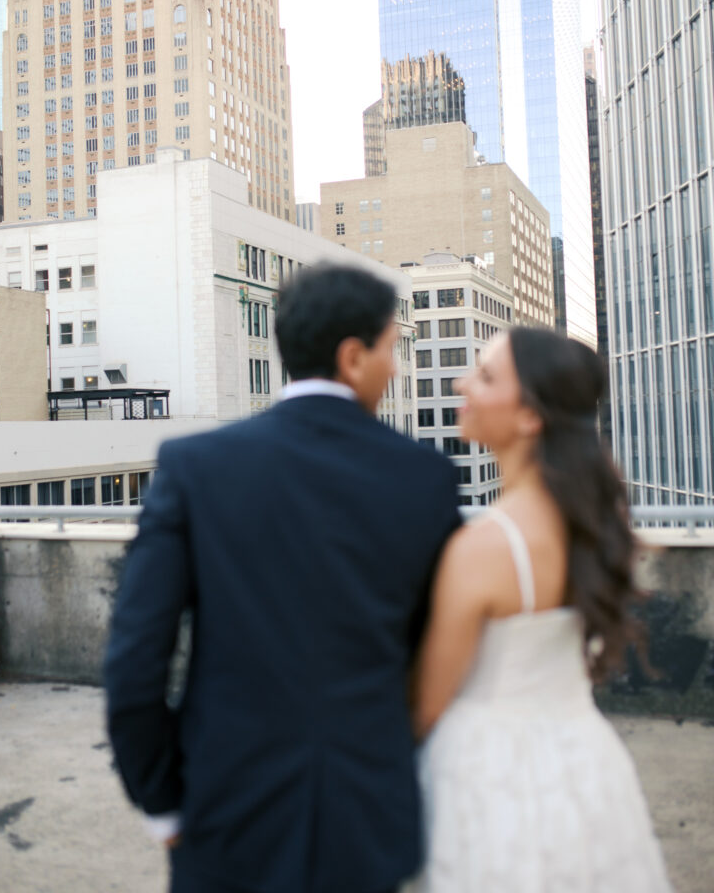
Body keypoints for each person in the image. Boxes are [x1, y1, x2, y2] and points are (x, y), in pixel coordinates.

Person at [104, 262, 460, 893]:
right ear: (353, 357)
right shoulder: (423, 477)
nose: (395, 369)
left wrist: (160, 802)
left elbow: (134, 664)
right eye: (391, 349)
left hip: (225, 804)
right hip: (369, 811)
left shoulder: (195, 467)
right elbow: (439, 654)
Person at [406, 327, 671, 893]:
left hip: (489, 775)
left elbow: (426, 704)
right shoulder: (591, 522)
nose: (461, 383)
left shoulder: (485, 546)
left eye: (485, 375)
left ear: (530, 418)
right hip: (584, 765)